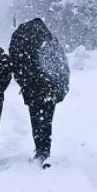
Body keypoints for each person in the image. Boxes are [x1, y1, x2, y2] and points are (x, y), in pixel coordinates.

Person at [9, 18, 70, 168]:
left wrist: (24, 83)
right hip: (50, 90)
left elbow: (16, 65)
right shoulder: (50, 42)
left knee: (36, 121)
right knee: (47, 121)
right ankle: (45, 150)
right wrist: (60, 89)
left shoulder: (23, 43)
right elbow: (62, 67)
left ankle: (40, 149)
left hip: (33, 91)